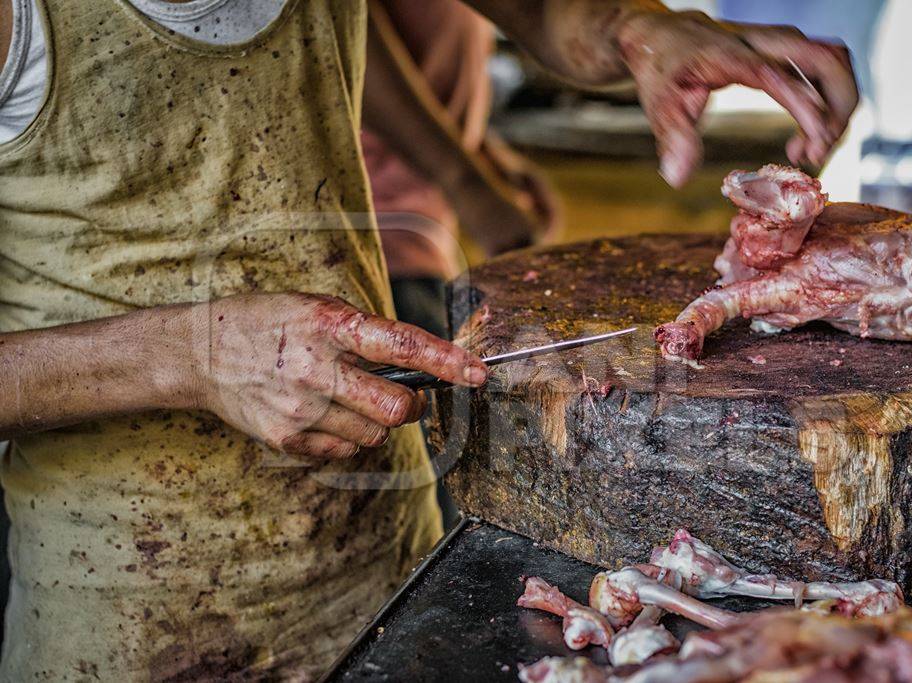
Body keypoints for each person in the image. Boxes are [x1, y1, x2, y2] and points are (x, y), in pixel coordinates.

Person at [0, 0, 857, 678]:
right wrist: (194, 354)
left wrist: (633, 28)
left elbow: (551, 15)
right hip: (130, 618)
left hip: (397, 569)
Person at [363, 0, 559, 527]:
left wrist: (485, 157)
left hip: (416, 229)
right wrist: (467, 184)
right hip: (374, 246)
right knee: (450, 499)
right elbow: (351, 48)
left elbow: (424, 61)